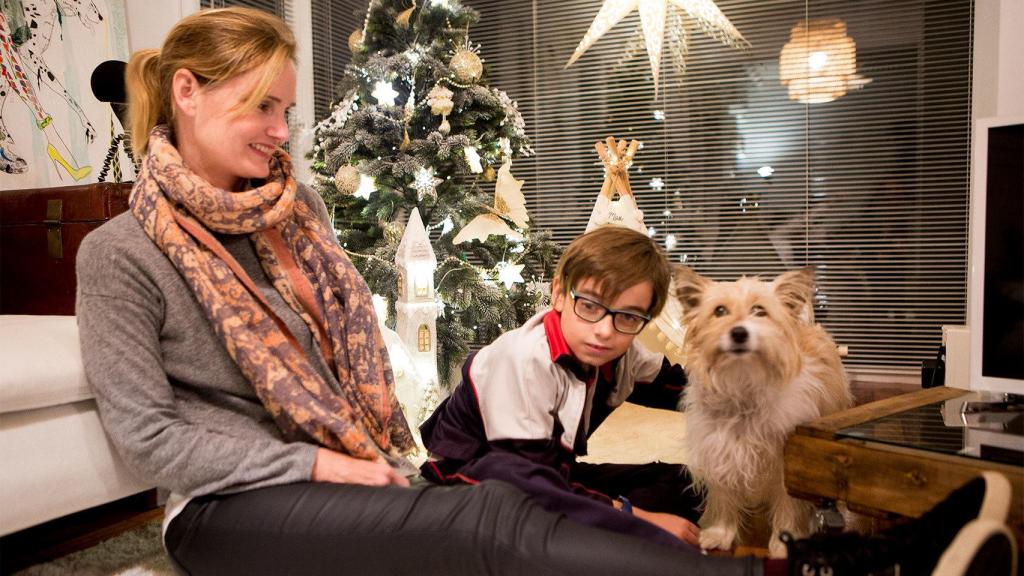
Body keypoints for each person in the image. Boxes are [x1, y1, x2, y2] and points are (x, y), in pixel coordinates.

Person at [74, 7, 1017, 576]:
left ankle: (845, 552)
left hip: (352, 465)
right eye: (260, 107)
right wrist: (322, 466)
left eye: (287, 107)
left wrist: (358, 457)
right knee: (488, 511)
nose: (283, 130)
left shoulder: (295, 214)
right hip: (226, 513)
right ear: (187, 92)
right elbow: (148, 438)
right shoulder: (120, 254)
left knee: (516, 510)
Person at [419, 225, 703, 548]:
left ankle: (601, 534)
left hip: (551, 474)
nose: (605, 331)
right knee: (541, 507)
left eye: (627, 317)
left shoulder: (621, 354)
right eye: (589, 306)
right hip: (476, 486)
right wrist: (633, 515)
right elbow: (526, 481)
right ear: (558, 294)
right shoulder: (526, 360)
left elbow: (686, 389)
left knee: (689, 485)